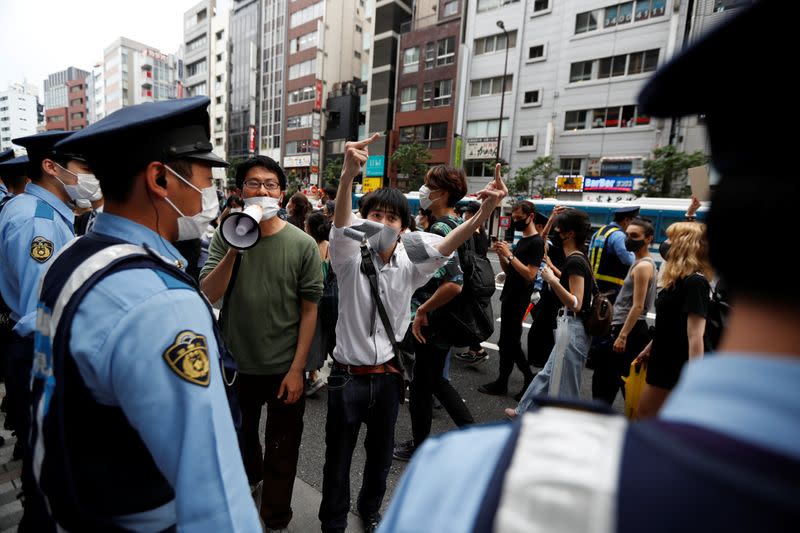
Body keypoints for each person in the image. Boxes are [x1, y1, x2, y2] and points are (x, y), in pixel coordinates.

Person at [379, 4, 800, 530]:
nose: (633, 233)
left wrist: (544, 273)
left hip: (563, 328)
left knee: (552, 381)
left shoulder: (479, 481)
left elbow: (562, 296)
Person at [28, 96, 260, 531]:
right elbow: (214, 497)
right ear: (160, 178)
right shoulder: (162, 303)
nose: (209, 192)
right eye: (205, 176)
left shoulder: (72, 257)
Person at [318, 133, 507, 533]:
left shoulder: (409, 261)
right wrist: (349, 177)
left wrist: (484, 210)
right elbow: (339, 222)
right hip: (345, 377)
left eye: (391, 218)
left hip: (388, 376)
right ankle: (332, 522)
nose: (381, 223)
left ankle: (369, 511)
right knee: (337, 457)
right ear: (361, 222)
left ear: (404, 227)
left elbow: (447, 245)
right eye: (374, 216)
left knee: (381, 455)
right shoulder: (349, 256)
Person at [200, 155, 323, 530]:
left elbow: (309, 311)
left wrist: (298, 369)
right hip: (236, 367)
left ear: (283, 194)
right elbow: (209, 292)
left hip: (285, 367)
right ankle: (250, 482)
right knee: (241, 439)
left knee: (283, 448)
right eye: (254, 184)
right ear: (240, 192)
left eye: (271, 185)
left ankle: (275, 517)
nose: (263, 191)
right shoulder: (225, 236)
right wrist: (237, 243)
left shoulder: (302, 244)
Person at [393, 165, 476, 462]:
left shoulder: (441, 228)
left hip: (435, 320)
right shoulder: (457, 223)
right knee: (429, 383)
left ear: (442, 193)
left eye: (428, 184)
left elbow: (453, 284)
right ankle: (432, 441)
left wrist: (422, 311)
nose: (423, 190)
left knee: (425, 385)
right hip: (445, 320)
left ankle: (423, 445)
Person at [509, 208, 594, 416]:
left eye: (559, 228)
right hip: (570, 324)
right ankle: (523, 411)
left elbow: (576, 302)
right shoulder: (577, 256)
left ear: (570, 233)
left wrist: (552, 280)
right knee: (547, 374)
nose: (555, 232)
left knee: (567, 385)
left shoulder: (574, 261)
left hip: (573, 326)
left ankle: (563, 427)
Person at [636, 222, 711, 418]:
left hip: (674, 366)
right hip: (662, 358)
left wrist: (695, 379)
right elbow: (671, 322)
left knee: (647, 417)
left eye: (670, 239)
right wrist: (650, 347)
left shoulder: (695, 282)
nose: (665, 243)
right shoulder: (677, 280)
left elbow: (696, 335)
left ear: (683, 245)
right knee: (649, 418)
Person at [478, 201, 542, 400]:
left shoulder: (536, 242)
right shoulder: (522, 240)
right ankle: (502, 382)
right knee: (505, 343)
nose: (515, 221)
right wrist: (503, 257)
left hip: (520, 299)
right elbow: (510, 271)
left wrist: (510, 255)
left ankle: (529, 378)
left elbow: (530, 275)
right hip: (509, 294)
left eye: (519, 218)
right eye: (513, 218)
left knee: (511, 343)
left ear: (530, 216)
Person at [592, 218, 658, 405]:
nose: (629, 239)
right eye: (627, 235)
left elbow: (638, 306)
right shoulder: (640, 263)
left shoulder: (644, 266)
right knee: (618, 381)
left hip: (627, 329)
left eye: (635, 236)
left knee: (605, 382)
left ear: (649, 239)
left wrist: (622, 335)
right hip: (628, 329)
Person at [453, 201, 492, 365]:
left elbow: (467, 259)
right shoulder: (483, 232)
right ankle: (473, 349)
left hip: (470, 279)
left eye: (467, 212)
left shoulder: (471, 233)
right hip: (479, 278)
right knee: (473, 313)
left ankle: (477, 349)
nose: (465, 215)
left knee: (467, 314)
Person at [304, 210, 336, 396]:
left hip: (312, 300)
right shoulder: (329, 246)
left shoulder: (309, 246)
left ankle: (312, 376)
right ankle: (314, 373)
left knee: (308, 337)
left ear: (309, 227)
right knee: (320, 339)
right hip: (327, 300)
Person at [588, 205, 638, 298]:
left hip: (595, 284)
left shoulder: (599, 232)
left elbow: (590, 255)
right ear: (626, 220)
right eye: (634, 222)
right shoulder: (619, 236)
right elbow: (628, 260)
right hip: (613, 288)